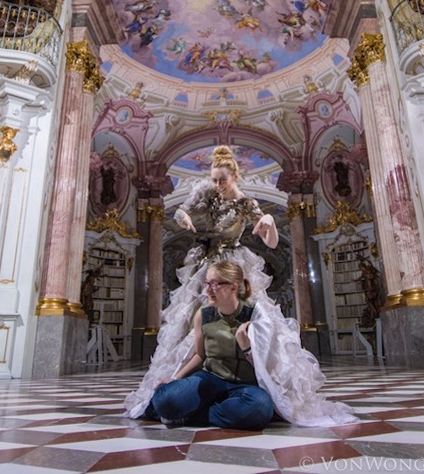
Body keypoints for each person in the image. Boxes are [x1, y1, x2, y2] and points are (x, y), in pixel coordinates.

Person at [125, 145, 357, 427]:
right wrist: (183, 217)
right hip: (204, 263)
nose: (217, 185)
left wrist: (269, 221)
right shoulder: (206, 194)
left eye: (222, 179)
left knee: (250, 316)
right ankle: (185, 387)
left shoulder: (247, 203)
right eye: (214, 179)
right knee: (189, 318)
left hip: (232, 264)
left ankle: (240, 388)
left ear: (235, 176)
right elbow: (181, 211)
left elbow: (270, 241)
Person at [144, 260, 274, 429]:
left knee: (259, 409)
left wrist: (247, 347)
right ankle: (211, 412)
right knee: (165, 399)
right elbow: (200, 355)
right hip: (210, 378)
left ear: (233, 287)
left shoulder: (255, 314)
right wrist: (176, 378)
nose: (207, 289)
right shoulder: (203, 314)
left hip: (245, 384)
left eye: (214, 284)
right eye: (206, 283)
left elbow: (267, 365)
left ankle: (190, 416)